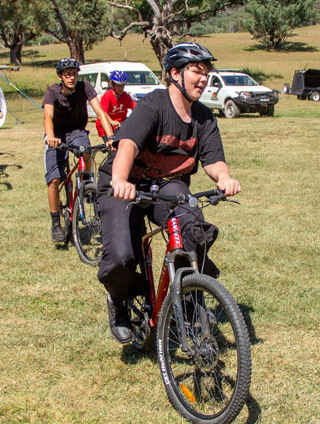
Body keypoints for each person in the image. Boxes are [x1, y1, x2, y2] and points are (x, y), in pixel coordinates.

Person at [97, 42, 241, 344]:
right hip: (126, 183)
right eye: (196, 71)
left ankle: (190, 299)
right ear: (175, 74)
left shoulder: (204, 117)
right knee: (121, 256)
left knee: (194, 226)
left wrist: (225, 178)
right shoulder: (154, 105)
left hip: (167, 184)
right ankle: (119, 299)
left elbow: (213, 160)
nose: (203, 79)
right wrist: (120, 180)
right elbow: (128, 145)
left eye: (206, 73)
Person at [43, 58, 115, 243]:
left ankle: (87, 183)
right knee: (54, 178)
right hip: (56, 134)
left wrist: (110, 137)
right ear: (60, 77)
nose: (71, 78)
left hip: (77, 131)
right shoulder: (52, 92)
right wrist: (50, 136)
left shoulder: (86, 88)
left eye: (74, 74)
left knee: (87, 150)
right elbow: (48, 116)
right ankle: (56, 223)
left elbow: (100, 112)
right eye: (67, 74)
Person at [95, 70, 136, 138]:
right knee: (112, 143)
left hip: (120, 125)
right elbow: (103, 112)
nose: (121, 88)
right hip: (106, 124)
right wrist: (111, 121)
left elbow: (135, 107)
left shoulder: (126, 96)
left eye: (122, 86)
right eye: (118, 86)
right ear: (113, 85)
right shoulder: (107, 96)